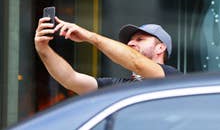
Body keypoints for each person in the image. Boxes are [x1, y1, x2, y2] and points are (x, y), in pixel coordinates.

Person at [34, 17, 179, 95]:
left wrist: (90, 37)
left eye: (140, 39)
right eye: (129, 41)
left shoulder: (171, 78)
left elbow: (136, 62)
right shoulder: (119, 85)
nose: (130, 43)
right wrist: (43, 49)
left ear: (160, 47)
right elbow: (70, 79)